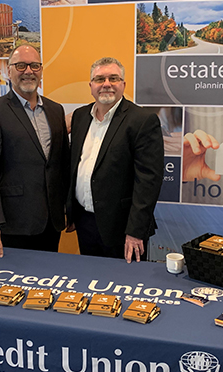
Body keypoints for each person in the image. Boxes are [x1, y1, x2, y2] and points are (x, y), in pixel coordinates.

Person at [0, 45, 70, 259]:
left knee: (48, 281)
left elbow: (62, 164)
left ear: (41, 70)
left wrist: (68, 209)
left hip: (51, 222)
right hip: (14, 223)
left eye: (34, 65)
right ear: (9, 71)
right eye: (20, 65)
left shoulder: (56, 110)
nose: (28, 71)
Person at [67, 57, 164, 263]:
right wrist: (71, 211)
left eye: (113, 78)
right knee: (90, 284)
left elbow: (148, 181)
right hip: (85, 222)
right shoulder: (80, 117)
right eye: (100, 79)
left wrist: (135, 231)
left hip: (123, 229)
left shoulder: (142, 120)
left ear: (123, 84)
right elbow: (75, 166)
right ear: (91, 86)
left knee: (126, 288)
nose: (106, 84)